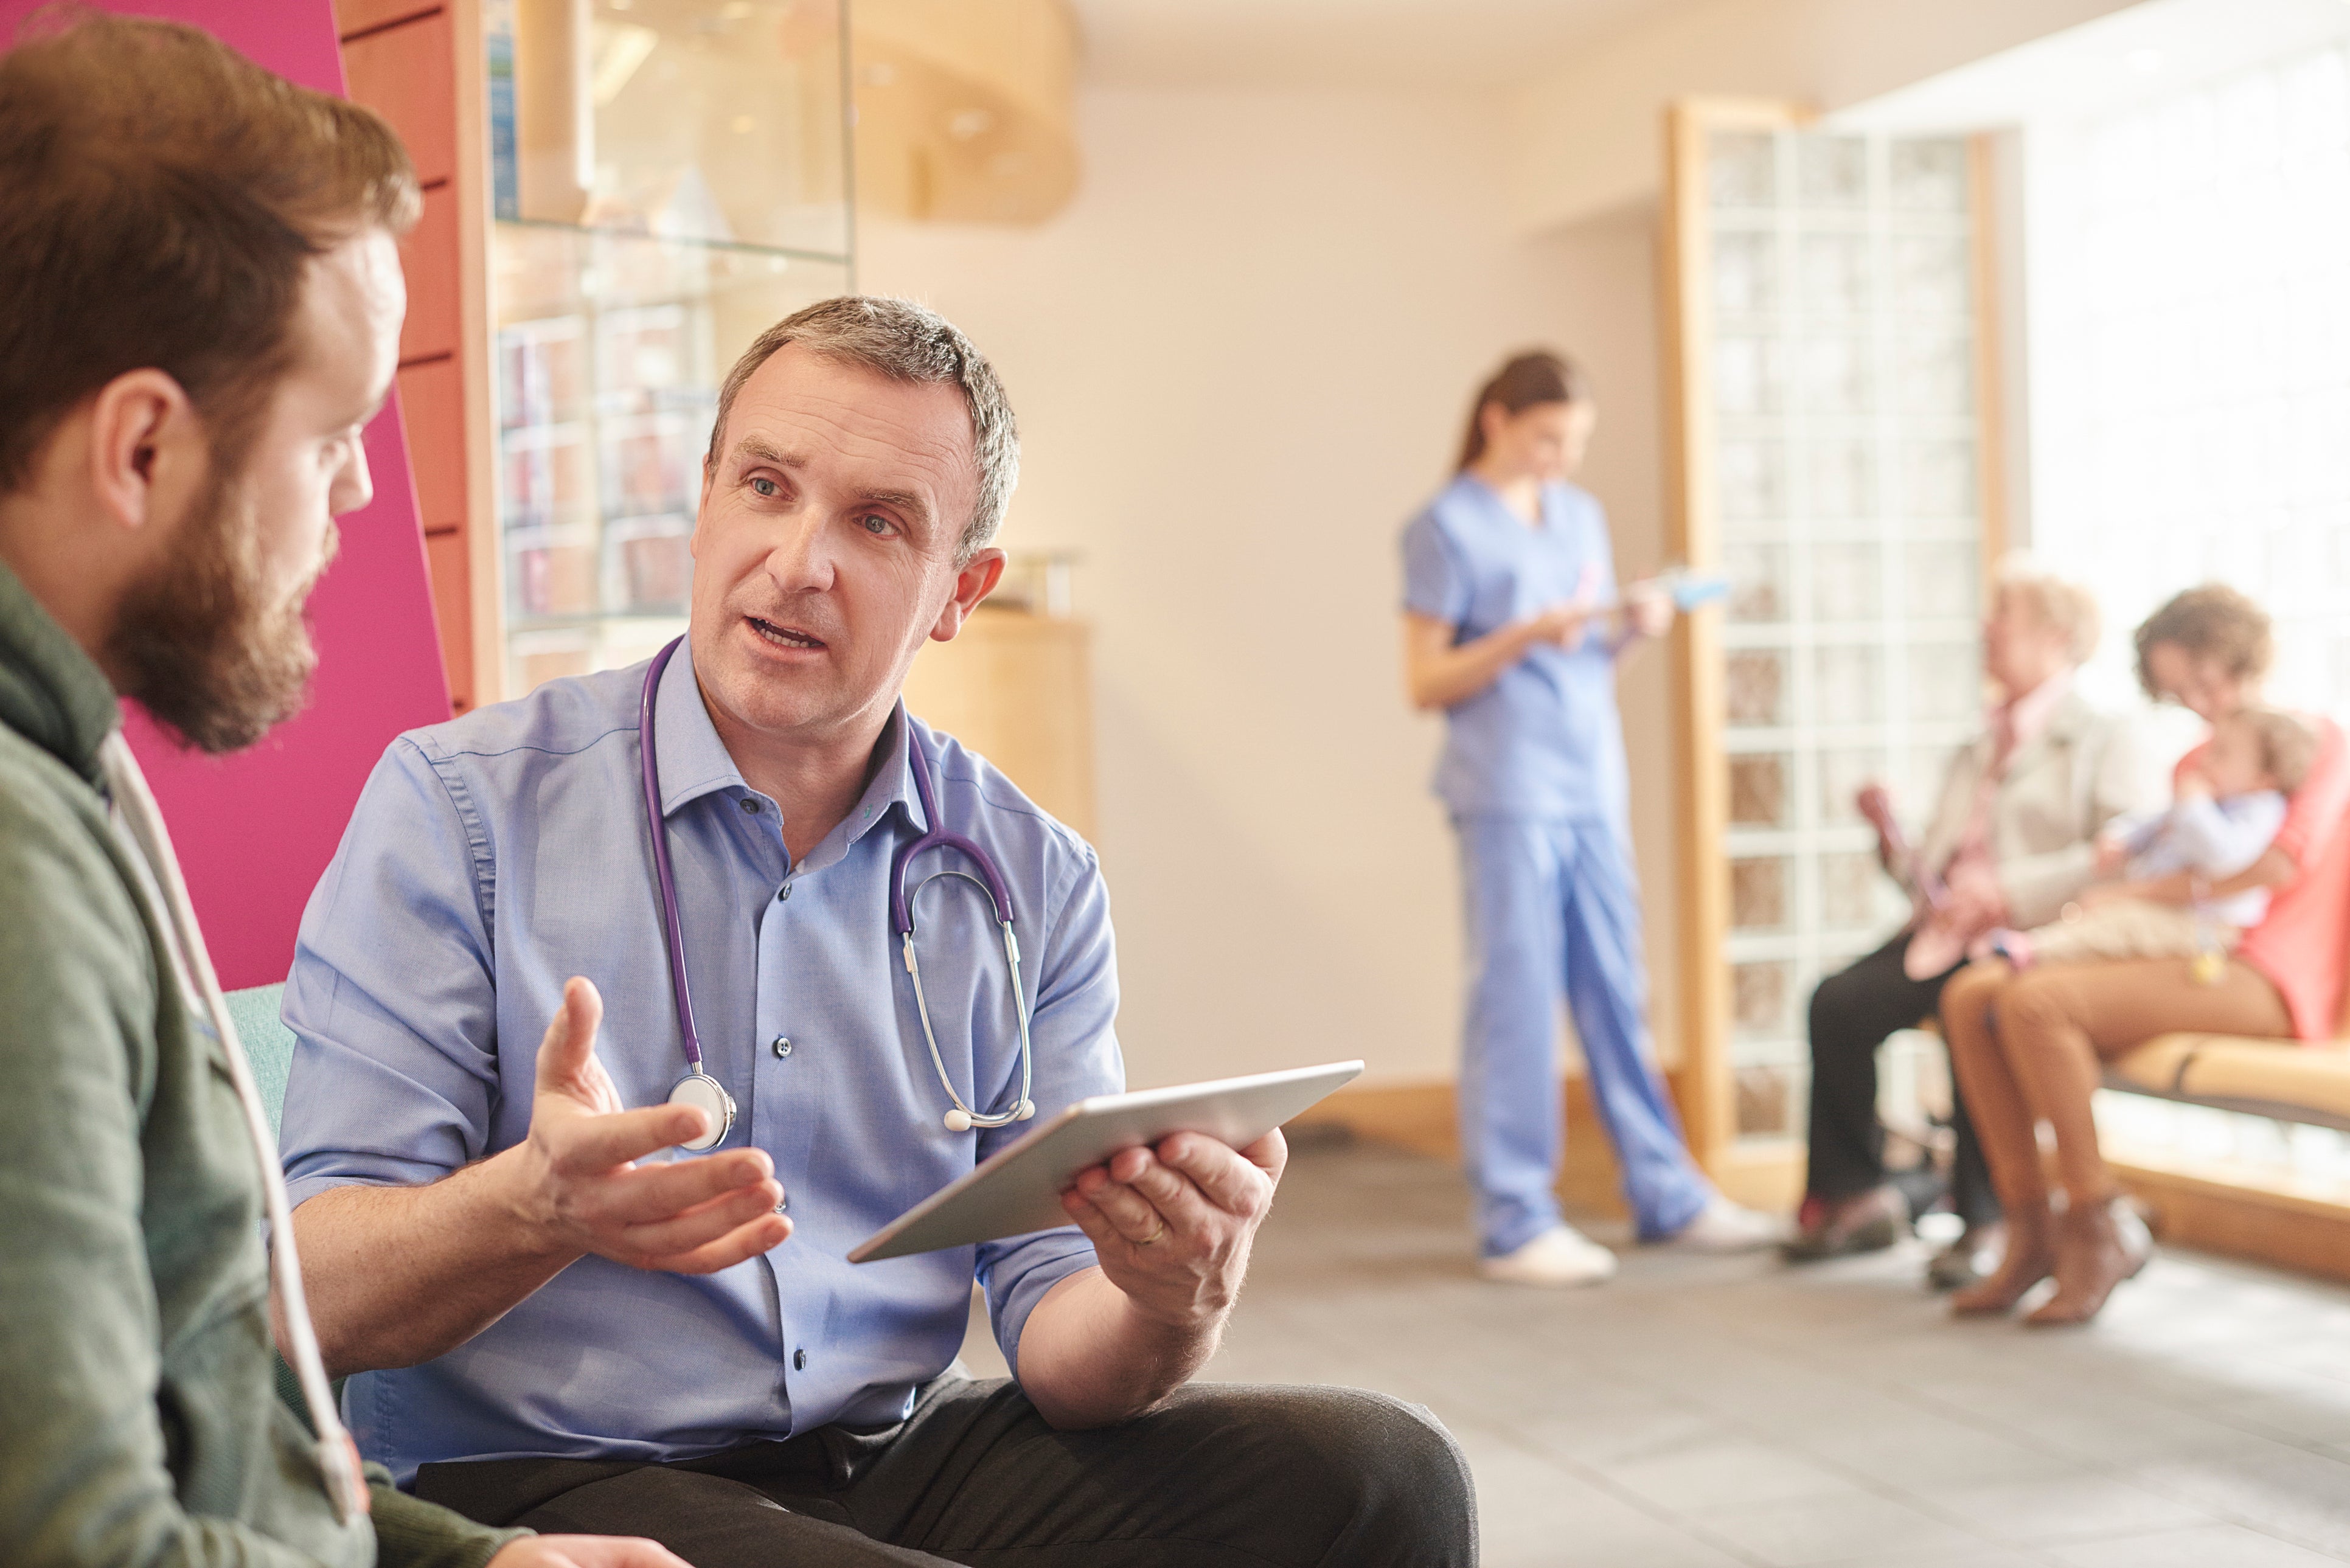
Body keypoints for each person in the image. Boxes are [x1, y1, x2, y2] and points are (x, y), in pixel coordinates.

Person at [277, 296, 1474, 1566]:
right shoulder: (461, 807)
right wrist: (538, 1206)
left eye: (877, 521)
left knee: (1382, 1478)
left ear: (959, 591)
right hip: (548, 1472)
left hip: (883, 1451)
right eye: (765, 485)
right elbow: (311, 1289)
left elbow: (1061, 1346)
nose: (799, 560)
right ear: (701, 502)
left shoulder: (1030, 877)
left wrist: (1170, 1300)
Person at [0, 16, 676, 1568]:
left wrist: (472, 1559)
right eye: (332, 434)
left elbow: (195, 1402)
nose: (361, 493)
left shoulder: (65, 759)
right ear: (144, 445)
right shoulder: (19, 867)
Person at [1400, 349, 1778, 1286]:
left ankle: (1667, 1190)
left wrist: (1629, 632)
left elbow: (1584, 664)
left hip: (1585, 782)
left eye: (1572, 443)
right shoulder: (1443, 526)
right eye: (1545, 438)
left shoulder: (1578, 517)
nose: (1560, 458)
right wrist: (1523, 632)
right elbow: (1424, 680)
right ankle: (1514, 1216)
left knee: (1617, 985)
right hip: (1504, 790)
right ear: (1495, 420)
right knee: (1516, 997)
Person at [1943, 585, 2350, 1325]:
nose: (2202, 700)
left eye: (2209, 677)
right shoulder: (2200, 758)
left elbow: (2277, 867)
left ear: (2242, 653)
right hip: (2192, 955)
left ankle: (2094, 1224)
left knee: (2037, 1000)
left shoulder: (2314, 741)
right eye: (2181, 690)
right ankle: (2027, 1229)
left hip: (2267, 974)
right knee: (1972, 995)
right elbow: (2160, 853)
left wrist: (2142, 896)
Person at [1784, 564, 2168, 1288]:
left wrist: (2006, 892)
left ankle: (1988, 1219)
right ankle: (1853, 1195)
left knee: (1974, 1008)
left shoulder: (2103, 737)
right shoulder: (1977, 742)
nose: (1985, 631)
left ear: (2056, 638)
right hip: (1941, 932)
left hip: (2031, 936)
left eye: (2004, 618)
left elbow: (2125, 854)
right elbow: (1931, 877)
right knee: (1834, 1003)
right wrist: (1890, 839)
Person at [1982, 707, 2314, 971]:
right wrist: (2121, 837)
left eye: (2221, 754)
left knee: (2122, 926)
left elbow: (2222, 858)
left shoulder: (2258, 812)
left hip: (2204, 924)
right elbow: (2154, 821)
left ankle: (2037, 950)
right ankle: (2038, 946)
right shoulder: (2215, 798)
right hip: (2166, 906)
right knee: (2104, 914)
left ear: (2264, 778)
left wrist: (2194, 803)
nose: (2205, 760)